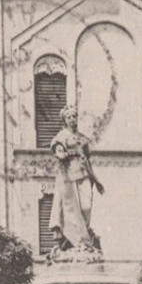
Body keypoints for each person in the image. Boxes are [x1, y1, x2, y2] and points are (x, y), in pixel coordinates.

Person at [49, 105, 104, 253]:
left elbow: (87, 159)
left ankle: (84, 236)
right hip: (68, 175)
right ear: (64, 120)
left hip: (84, 174)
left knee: (87, 206)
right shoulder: (61, 136)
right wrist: (60, 154)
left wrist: (96, 180)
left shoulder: (82, 138)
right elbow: (57, 148)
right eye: (68, 117)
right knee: (71, 209)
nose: (72, 119)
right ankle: (77, 240)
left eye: (74, 116)